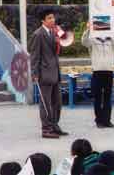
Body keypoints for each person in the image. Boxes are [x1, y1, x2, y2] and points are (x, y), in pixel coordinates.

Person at [82, 23, 114, 128]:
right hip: (97, 72)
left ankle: (107, 120)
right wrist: (87, 30)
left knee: (108, 98)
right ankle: (99, 120)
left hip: (109, 71)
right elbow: (84, 41)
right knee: (98, 97)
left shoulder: (111, 39)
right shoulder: (92, 39)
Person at [29, 9, 68, 139]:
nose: (53, 20)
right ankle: (46, 128)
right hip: (44, 73)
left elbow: (61, 46)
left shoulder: (55, 31)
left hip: (55, 72)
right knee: (45, 103)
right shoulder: (38, 34)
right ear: (43, 21)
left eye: (53, 18)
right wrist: (34, 73)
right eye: (49, 18)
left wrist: (59, 41)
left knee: (57, 102)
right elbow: (34, 55)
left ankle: (55, 125)